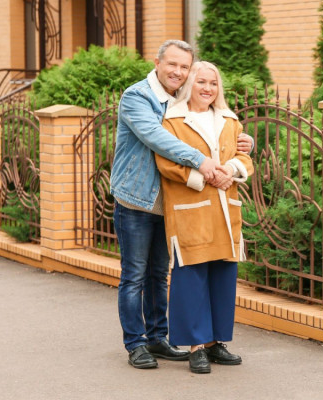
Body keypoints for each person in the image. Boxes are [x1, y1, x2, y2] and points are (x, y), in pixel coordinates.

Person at [110, 39, 253, 369]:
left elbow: (217, 130)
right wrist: (203, 163)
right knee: (134, 275)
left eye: (184, 67)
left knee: (159, 275)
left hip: (173, 204)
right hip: (137, 199)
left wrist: (244, 141)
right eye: (172, 64)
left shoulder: (183, 98)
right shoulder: (137, 97)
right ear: (157, 62)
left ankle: (158, 338)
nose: (178, 71)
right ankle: (136, 344)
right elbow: (159, 139)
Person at [155, 61, 253, 374]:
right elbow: (165, 162)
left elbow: (243, 158)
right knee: (192, 276)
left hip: (225, 207)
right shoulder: (173, 120)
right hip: (190, 207)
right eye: (201, 82)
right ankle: (196, 345)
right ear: (189, 85)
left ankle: (216, 343)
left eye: (213, 83)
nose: (208, 89)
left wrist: (232, 172)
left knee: (223, 275)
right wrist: (203, 177)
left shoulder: (229, 119)